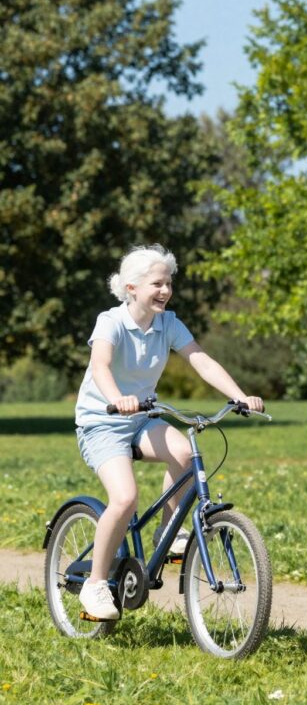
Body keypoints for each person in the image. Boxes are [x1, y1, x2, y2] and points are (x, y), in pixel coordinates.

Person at [74, 244, 264, 621]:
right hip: (102, 421)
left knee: (185, 455)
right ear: (131, 288)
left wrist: (239, 396)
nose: (165, 290)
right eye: (157, 284)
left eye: (168, 283)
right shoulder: (110, 321)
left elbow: (201, 360)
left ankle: (167, 534)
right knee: (125, 498)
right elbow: (101, 366)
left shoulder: (169, 323)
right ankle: (95, 585)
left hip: (143, 418)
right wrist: (117, 399)